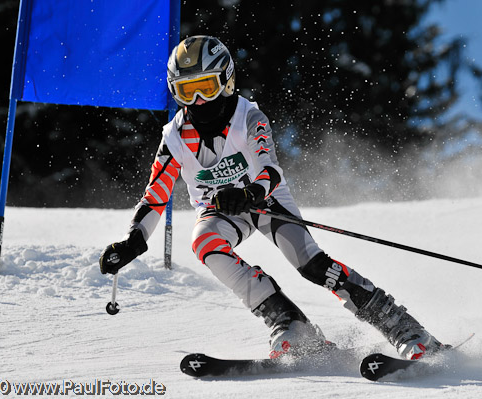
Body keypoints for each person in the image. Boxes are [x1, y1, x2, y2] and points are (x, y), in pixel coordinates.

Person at [99, 35, 446, 360]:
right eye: (187, 92)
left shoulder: (247, 116)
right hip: (220, 212)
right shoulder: (174, 137)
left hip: (265, 201)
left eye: (206, 88)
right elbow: (155, 196)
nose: (199, 102)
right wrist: (133, 241)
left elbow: (270, 168)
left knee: (311, 264)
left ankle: (406, 329)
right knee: (203, 242)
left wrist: (249, 192)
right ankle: (290, 324)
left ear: (227, 81)